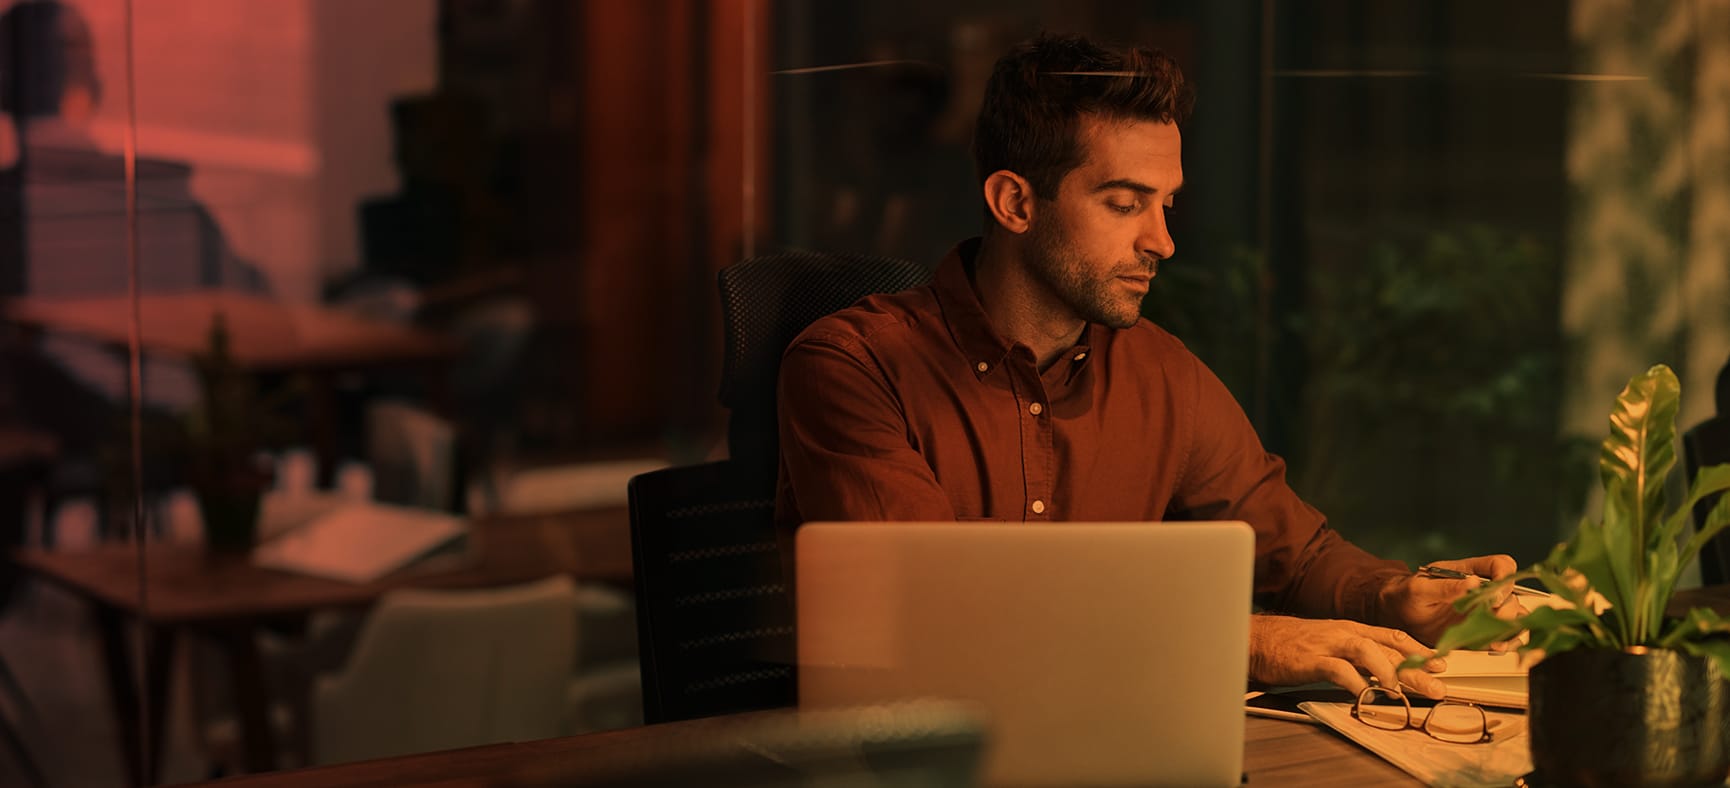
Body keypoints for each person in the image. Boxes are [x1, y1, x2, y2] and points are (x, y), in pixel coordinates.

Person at [775, 32, 1525, 699]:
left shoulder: (1159, 373)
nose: (1162, 241)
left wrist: (1395, 593)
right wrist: (1246, 641)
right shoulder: (851, 366)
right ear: (1014, 202)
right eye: (1126, 203)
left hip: (1105, 742)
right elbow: (935, 607)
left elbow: (1296, 557)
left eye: (1166, 204)